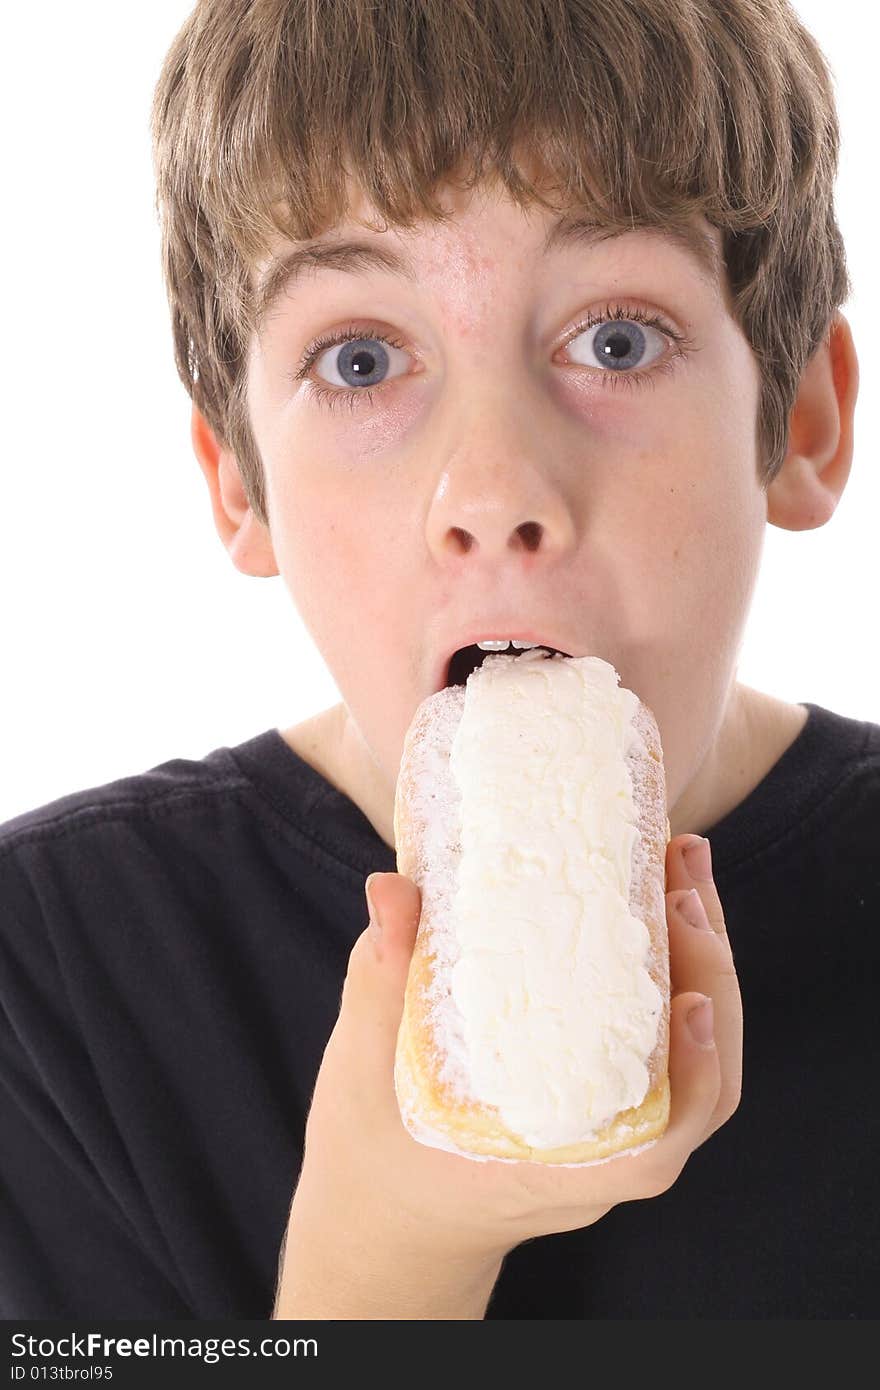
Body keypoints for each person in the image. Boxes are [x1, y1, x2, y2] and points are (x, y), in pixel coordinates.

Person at [1, 0, 875, 1320]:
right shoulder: (52, 981)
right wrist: (389, 1244)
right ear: (237, 481)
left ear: (799, 418)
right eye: (361, 358)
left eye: (617, 338)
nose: (493, 485)